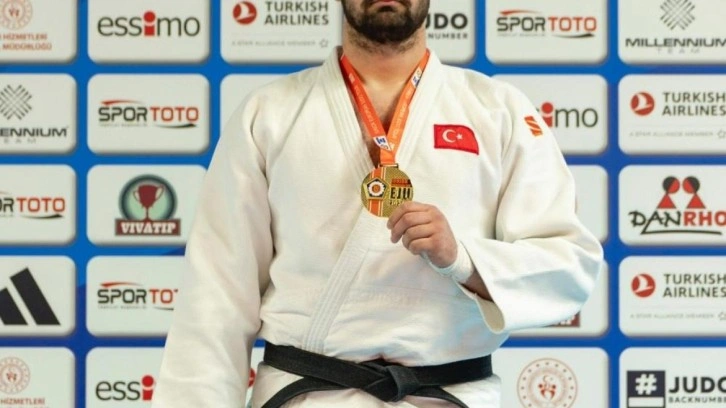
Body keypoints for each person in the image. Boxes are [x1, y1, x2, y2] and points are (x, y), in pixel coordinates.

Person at [152, 0, 604, 406]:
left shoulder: (498, 109)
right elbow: (216, 292)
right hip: (308, 397)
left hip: (447, 396)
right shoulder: (270, 112)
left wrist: (464, 260)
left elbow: (568, 264)